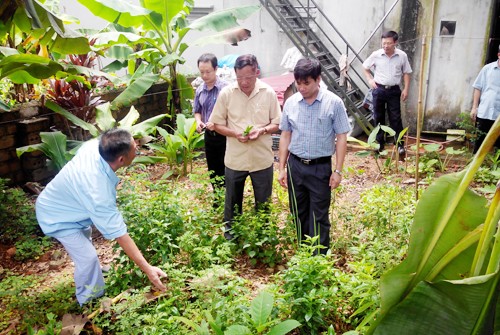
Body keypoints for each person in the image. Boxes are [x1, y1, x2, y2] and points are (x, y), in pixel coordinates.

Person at [35, 129, 167, 306]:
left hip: (74, 205)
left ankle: (94, 273)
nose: (138, 149)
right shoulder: (98, 191)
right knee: (87, 258)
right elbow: (120, 234)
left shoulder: (94, 146)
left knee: (86, 243)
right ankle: (90, 301)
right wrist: (148, 269)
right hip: (56, 215)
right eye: (135, 149)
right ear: (121, 159)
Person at [278, 57, 350, 254]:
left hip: (320, 168)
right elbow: (285, 135)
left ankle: (318, 258)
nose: (302, 87)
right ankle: (303, 254)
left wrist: (338, 171)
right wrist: (281, 168)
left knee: (319, 215)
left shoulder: (333, 103)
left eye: (306, 83)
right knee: (298, 212)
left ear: (318, 79)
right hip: (295, 166)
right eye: (298, 83)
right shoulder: (291, 103)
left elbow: (341, 137)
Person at [209, 54, 281, 239]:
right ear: (235, 74)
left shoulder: (268, 92)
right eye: (240, 77)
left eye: (249, 77)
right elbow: (216, 124)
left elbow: (278, 123)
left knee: (263, 203)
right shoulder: (227, 94)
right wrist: (234, 133)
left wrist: (262, 130)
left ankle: (262, 238)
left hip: (261, 159)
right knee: (232, 203)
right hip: (235, 158)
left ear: (257, 73)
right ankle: (231, 237)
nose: (244, 82)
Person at [363, 30, 412, 155]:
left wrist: (406, 89)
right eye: (383, 43)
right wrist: (370, 80)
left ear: (395, 43)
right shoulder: (376, 55)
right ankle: (380, 143)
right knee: (378, 117)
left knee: (395, 118)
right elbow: (365, 67)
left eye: (389, 43)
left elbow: (406, 72)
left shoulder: (402, 56)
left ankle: (399, 144)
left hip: (394, 90)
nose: (385, 46)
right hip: (378, 89)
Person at [193, 53, 228, 194]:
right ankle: (217, 196)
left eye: (208, 71)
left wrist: (219, 124)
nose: (205, 75)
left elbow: (233, 113)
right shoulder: (200, 90)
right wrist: (198, 121)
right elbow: (197, 110)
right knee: (213, 168)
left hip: (225, 135)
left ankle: (229, 198)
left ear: (216, 69)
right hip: (209, 135)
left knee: (226, 167)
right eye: (202, 72)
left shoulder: (226, 89)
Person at [470, 44, 500, 153]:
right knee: (480, 141)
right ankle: (476, 166)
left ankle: (495, 168)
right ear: (498, 55)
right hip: (485, 111)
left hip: (499, 116)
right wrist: (474, 107)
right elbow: (478, 87)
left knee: (498, 145)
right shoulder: (488, 69)